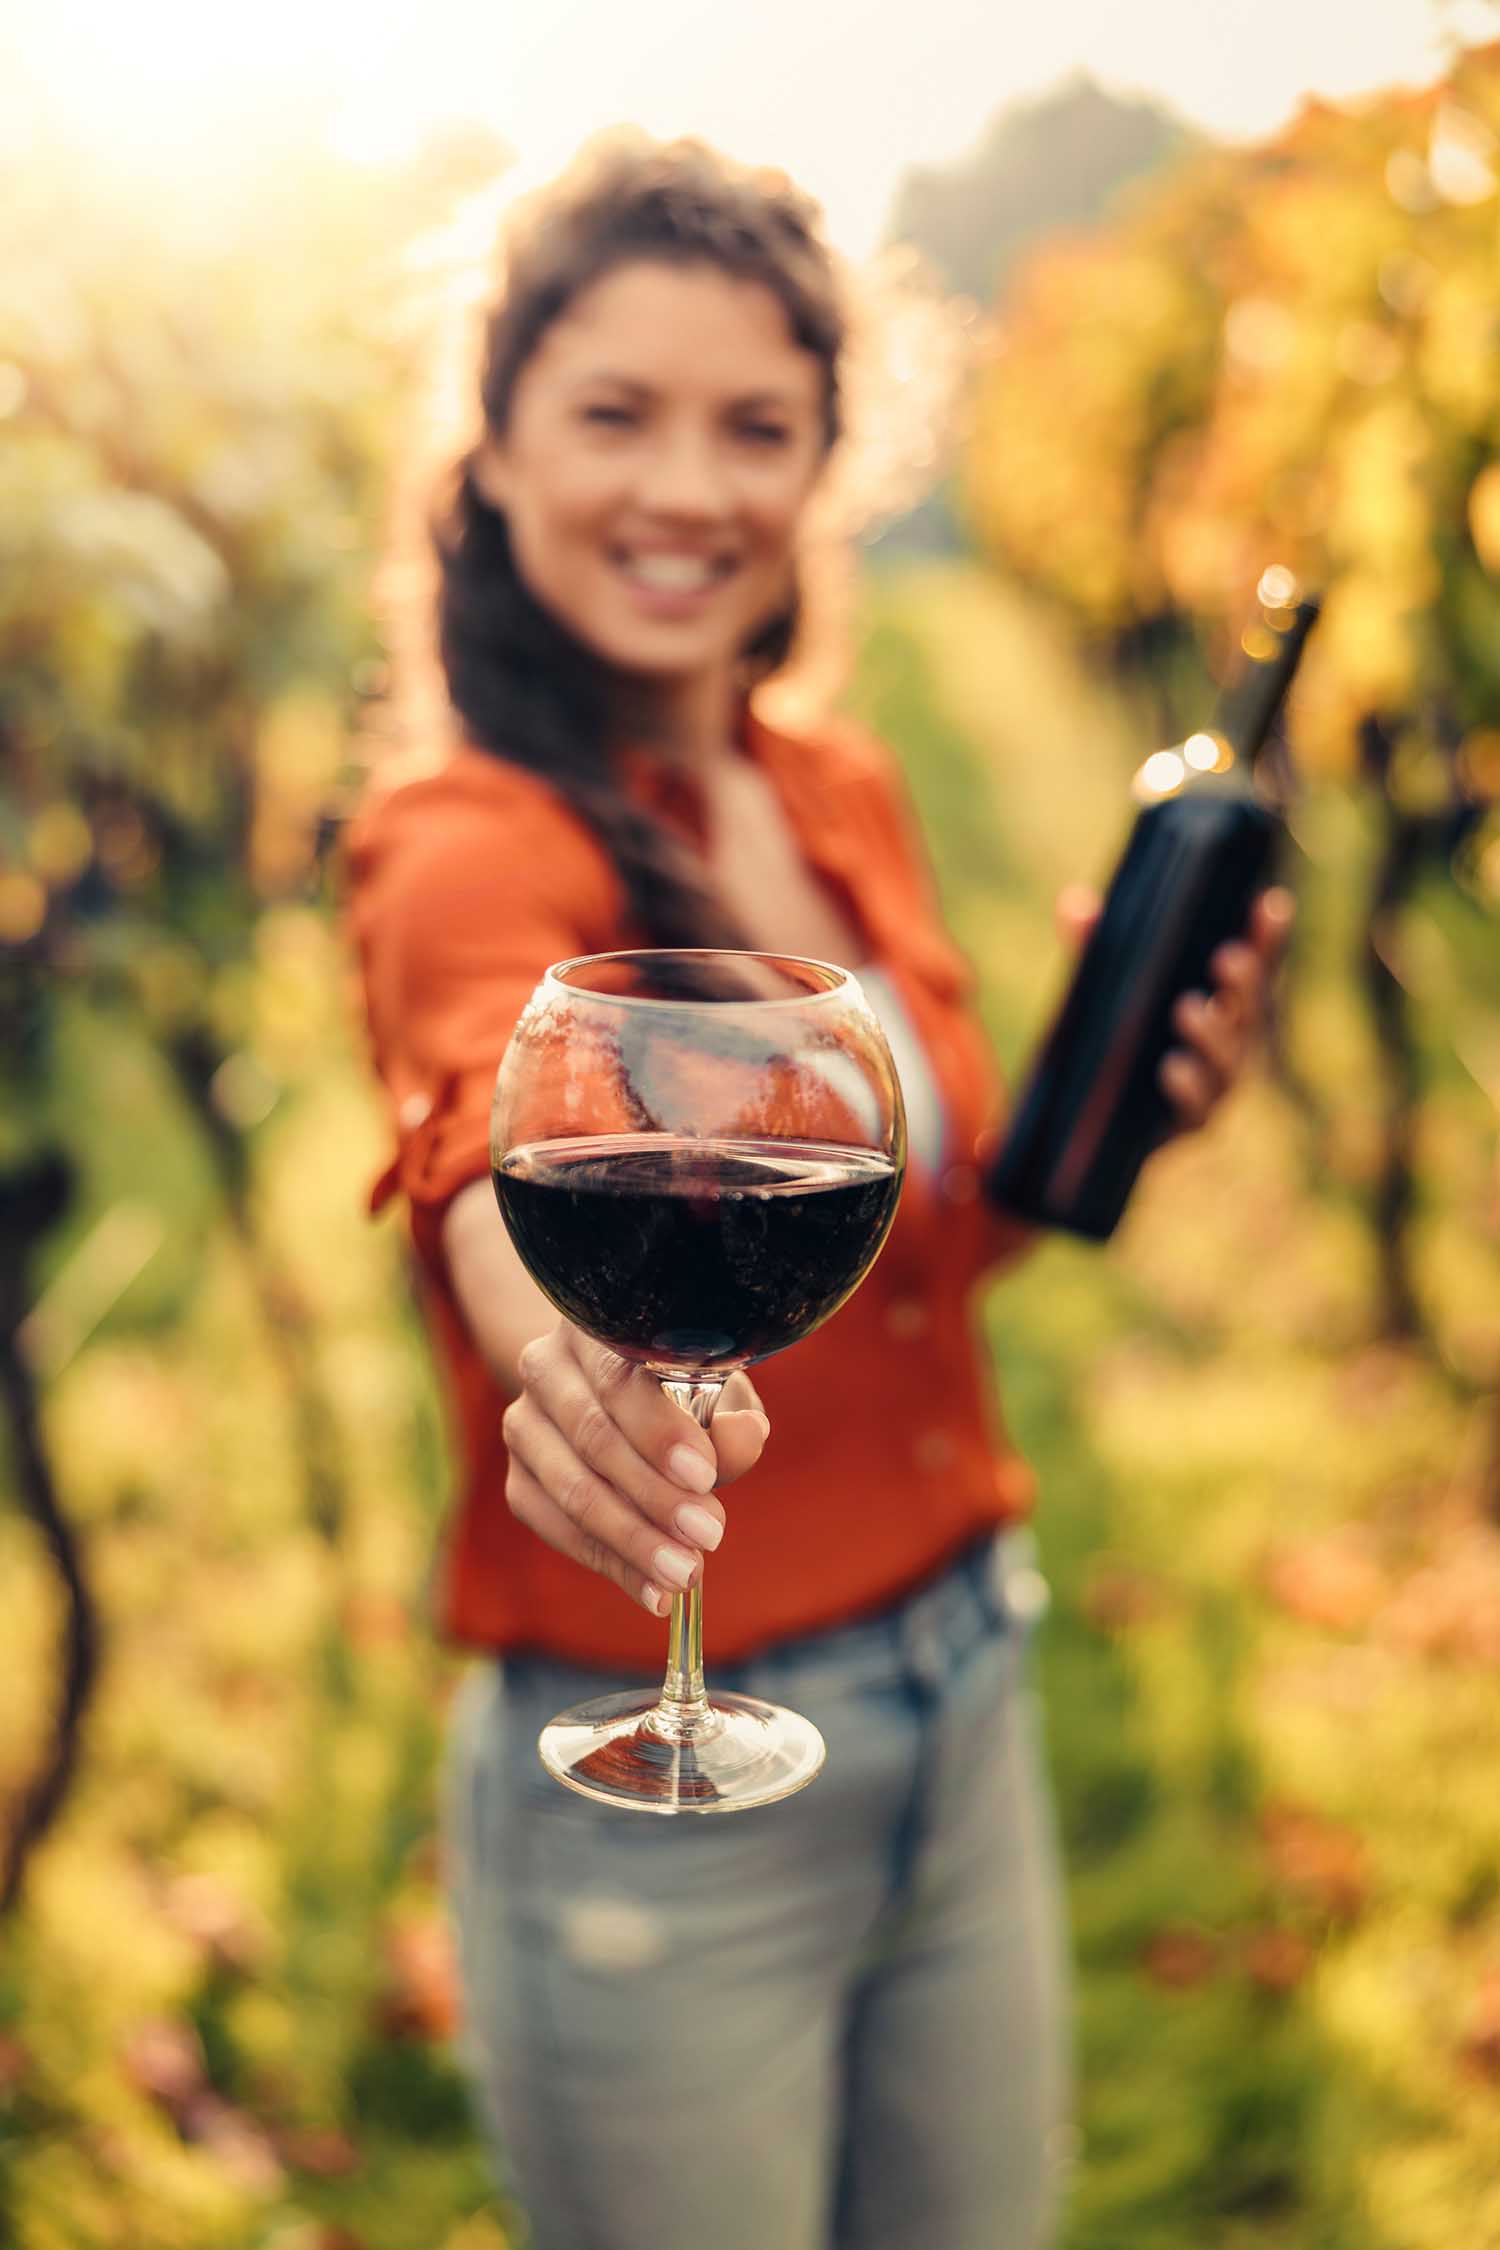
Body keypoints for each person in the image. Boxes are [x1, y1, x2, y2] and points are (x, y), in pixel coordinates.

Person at [345, 134, 1289, 2250]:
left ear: (824, 464)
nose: (687, 487)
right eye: (617, 413)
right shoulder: (462, 837)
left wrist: (1132, 1119)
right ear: (496, 442)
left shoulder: (832, 787)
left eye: (755, 427)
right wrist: (569, 1368)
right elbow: (482, 1142)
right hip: (651, 1782)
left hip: (966, 1683)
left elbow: (909, 1252)